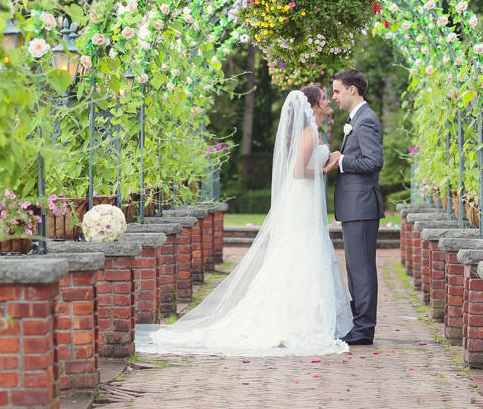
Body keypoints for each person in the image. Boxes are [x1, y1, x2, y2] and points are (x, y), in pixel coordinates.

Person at [134, 87, 353, 356]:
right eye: (323, 96)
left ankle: (307, 316)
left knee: (302, 251)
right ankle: (301, 319)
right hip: (303, 200)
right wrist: (325, 168)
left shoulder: (311, 132)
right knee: (303, 251)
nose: (328, 99)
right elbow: (299, 171)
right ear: (312, 104)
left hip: (305, 200)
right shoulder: (308, 133)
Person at [324, 69, 385, 346]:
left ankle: (363, 329)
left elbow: (374, 162)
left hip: (361, 206)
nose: (333, 96)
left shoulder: (366, 120)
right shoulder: (357, 119)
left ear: (352, 90)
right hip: (354, 207)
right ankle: (358, 325)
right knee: (356, 268)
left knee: (361, 269)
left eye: (337, 91)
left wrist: (343, 161)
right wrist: (343, 156)